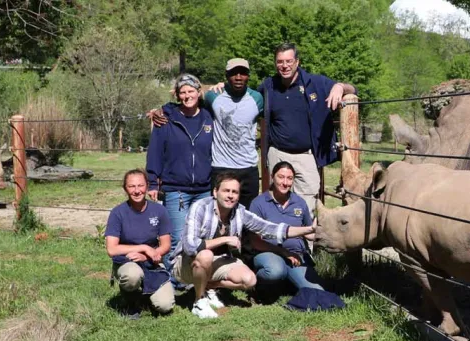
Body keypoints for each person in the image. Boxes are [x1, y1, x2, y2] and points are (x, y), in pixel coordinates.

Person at [211, 43, 356, 214]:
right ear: (275, 63)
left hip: (307, 156)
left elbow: (353, 88)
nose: (284, 66)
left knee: (306, 206)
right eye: (280, 62)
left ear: (297, 62)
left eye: (289, 61)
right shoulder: (268, 86)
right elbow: (245, 94)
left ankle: (303, 240)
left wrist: (340, 87)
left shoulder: (315, 83)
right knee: (277, 206)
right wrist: (225, 85)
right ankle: (277, 239)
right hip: (277, 154)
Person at [169, 172, 316, 319]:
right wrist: (225, 239)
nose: (230, 196)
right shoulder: (200, 207)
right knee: (205, 255)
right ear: (215, 192)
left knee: (249, 280)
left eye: (235, 192)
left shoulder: (240, 211)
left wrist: (308, 229)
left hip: (219, 261)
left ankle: (209, 286)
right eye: (226, 191)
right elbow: (190, 246)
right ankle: (199, 302)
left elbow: (269, 228)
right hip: (187, 264)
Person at [152, 59, 263, 208]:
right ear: (226, 75)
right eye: (233, 73)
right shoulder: (214, 96)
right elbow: (189, 101)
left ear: (248, 75)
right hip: (221, 167)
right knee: (218, 220)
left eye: (242, 73)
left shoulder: (258, 98)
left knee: (247, 218)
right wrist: (163, 110)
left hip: (248, 168)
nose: (238, 77)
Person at [145, 73, 215, 285]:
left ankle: (197, 279)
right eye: (182, 92)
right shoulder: (166, 118)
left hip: (204, 187)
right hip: (176, 189)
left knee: (200, 238)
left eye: (191, 91)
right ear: (177, 94)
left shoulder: (209, 117)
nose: (187, 96)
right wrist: (152, 181)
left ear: (198, 92)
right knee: (176, 238)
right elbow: (155, 151)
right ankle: (173, 283)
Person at [104, 169, 175, 317]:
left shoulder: (159, 210)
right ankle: (130, 301)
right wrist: (144, 248)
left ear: (147, 186)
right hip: (127, 260)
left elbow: (166, 245)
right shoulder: (118, 213)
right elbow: (111, 249)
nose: (137, 191)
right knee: (132, 275)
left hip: (152, 261)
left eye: (140, 186)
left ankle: (145, 295)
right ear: (125, 189)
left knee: (165, 306)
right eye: (131, 186)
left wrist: (149, 255)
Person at [247, 161, 324, 298]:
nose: (285, 182)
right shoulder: (259, 203)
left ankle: (288, 282)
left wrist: (323, 235)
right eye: (281, 177)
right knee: (275, 271)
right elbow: (255, 241)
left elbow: (308, 232)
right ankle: (258, 284)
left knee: (317, 292)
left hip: (297, 255)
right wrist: (283, 252)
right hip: (268, 253)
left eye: (289, 178)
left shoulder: (299, 202)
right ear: (272, 177)